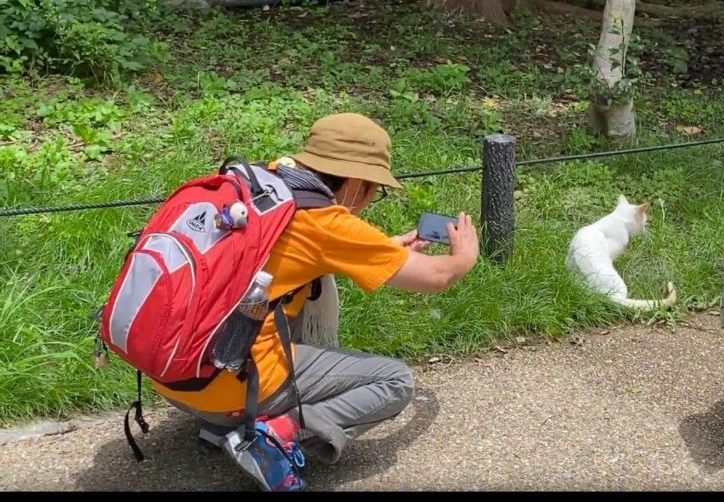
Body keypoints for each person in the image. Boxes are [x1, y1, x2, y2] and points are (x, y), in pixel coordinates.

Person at [155, 112, 480, 491]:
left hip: (176, 373)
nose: (372, 198)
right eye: (375, 188)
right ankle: (273, 435)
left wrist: (379, 249)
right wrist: (463, 259)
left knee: (284, 302)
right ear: (357, 182)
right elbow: (437, 276)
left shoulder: (261, 182)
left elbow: (296, 255)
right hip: (225, 387)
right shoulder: (325, 222)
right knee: (395, 382)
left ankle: (222, 424)